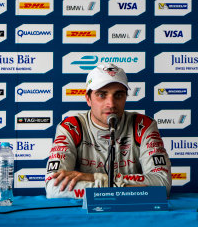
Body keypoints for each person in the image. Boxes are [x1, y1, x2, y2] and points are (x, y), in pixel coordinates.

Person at [45, 63, 172, 198]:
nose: (111, 104)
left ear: (125, 97)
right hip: (87, 215)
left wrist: (94, 178)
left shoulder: (143, 125)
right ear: (88, 99)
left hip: (133, 214)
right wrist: (124, 188)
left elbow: (162, 185)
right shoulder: (71, 127)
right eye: (101, 95)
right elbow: (54, 188)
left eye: (118, 95)